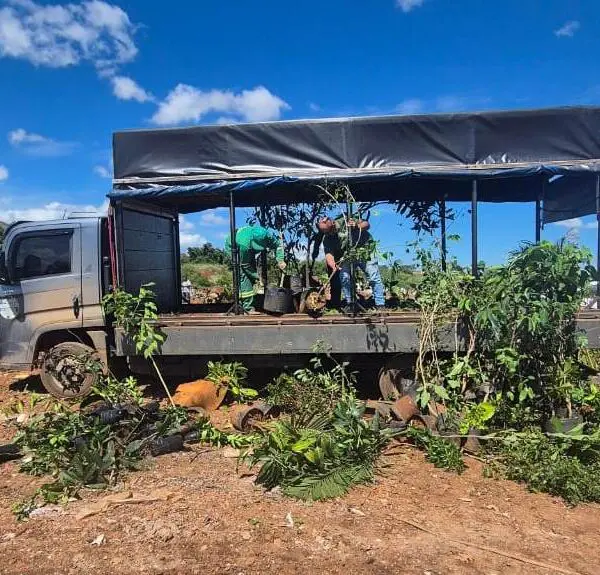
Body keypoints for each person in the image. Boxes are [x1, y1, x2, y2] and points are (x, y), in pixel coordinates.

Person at [314, 214, 385, 312]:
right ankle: (351, 303)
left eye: (329, 230)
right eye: (325, 232)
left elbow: (367, 225)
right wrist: (333, 264)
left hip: (365, 250)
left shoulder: (345, 219)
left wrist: (356, 225)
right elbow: (329, 254)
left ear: (331, 222)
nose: (329, 233)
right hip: (348, 254)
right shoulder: (327, 238)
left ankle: (380, 305)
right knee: (344, 276)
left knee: (373, 276)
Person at [225, 225, 286, 313]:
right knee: (244, 277)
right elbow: (245, 265)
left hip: (248, 249)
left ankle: (251, 301)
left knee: (251, 275)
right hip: (234, 248)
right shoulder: (244, 244)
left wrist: (280, 260)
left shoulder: (267, 236)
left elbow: (278, 246)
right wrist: (258, 277)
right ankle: (248, 308)